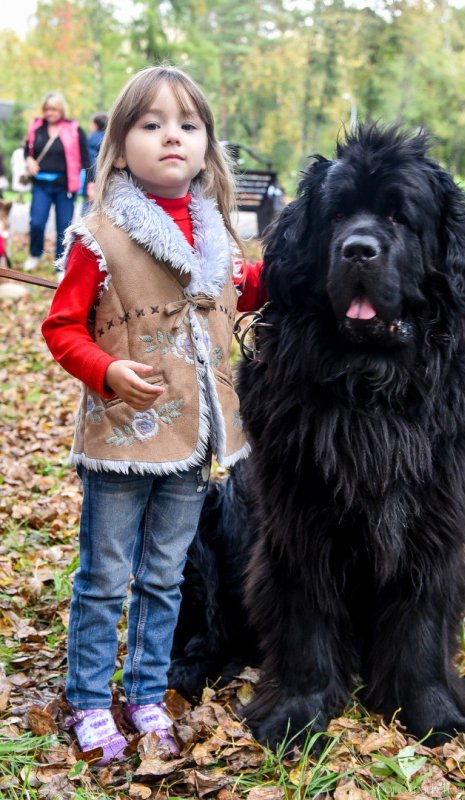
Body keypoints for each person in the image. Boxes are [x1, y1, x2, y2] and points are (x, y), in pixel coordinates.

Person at [41, 65, 265, 766]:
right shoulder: (98, 238)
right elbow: (61, 327)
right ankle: (86, 701)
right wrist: (103, 370)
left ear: (205, 146)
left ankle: (144, 693)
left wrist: (295, 270)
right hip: (121, 443)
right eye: (151, 123)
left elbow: (244, 294)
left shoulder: (217, 242)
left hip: (192, 445)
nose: (172, 135)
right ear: (118, 142)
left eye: (187, 124)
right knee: (105, 577)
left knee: (165, 576)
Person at [23, 92, 90, 271]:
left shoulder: (74, 129)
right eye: (47, 109)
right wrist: (29, 160)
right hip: (41, 185)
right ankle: (34, 254)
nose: (49, 113)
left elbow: (86, 159)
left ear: (61, 110)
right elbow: (27, 150)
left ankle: (61, 266)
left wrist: (92, 182)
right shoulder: (37, 127)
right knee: (36, 222)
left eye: (53, 109)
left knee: (63, 227)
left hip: (65, 186)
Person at [81, 112, 108, 215]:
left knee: (87, 216)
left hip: (94, 183)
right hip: (108, 183)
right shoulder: (110, 140)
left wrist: (91, 183)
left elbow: (91, 163)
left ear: (96, 125)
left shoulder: (92, 140)